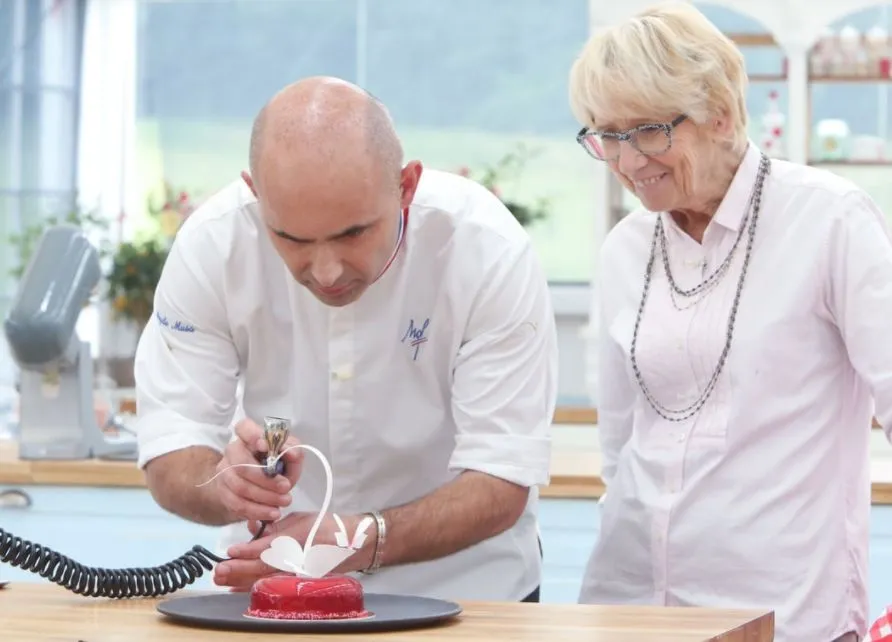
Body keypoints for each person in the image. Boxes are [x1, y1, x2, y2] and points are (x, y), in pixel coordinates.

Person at [132, 76, 558, 602]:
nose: (327, 271)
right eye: (291, 239)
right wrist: (223, 485)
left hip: (469, 595)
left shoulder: (487, 251)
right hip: (278, 594)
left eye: (353, 233)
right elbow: (171, 447)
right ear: (255, 194)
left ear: (406, 186)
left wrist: (357, 540)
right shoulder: (212, 247)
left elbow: (501, 480)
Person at [568, 3, 892, 642]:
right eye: (607, 136)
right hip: (630, 605)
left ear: (719, 112)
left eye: (648, 131)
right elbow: (619, 443)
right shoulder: (625, 249)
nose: (628, 161)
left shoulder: (829, 221)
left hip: (785, 614)